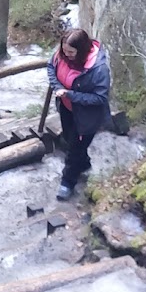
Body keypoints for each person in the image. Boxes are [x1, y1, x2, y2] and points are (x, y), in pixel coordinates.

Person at [47, 28, 112, 201]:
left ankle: (67, 182)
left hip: (87, 116)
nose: (66, 55)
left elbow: (100, 97)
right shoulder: (61, 55)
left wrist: (71, 95)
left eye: (71, 52)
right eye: (64, 50)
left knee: (74, 150)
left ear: (81, 50)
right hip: (67, 108)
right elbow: (51, 66)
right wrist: (57, 87)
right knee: (70, 139)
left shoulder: (98, 69)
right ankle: (84, 164)